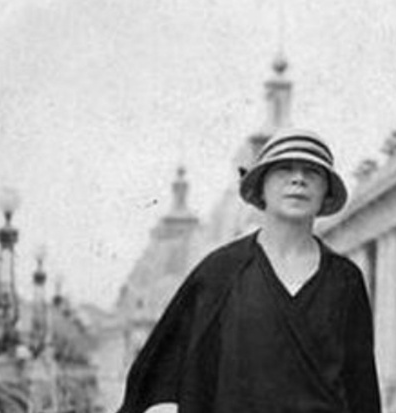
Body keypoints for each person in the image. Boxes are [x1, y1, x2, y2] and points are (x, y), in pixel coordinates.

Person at [118, 128, 382, 413]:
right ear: (261, 188)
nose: (298, 179)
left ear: (326, 193)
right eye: (284, 169)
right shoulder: (220, 272)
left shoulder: (345, 279)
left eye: (313, 172)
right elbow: (161, 369)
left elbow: (362, 388)